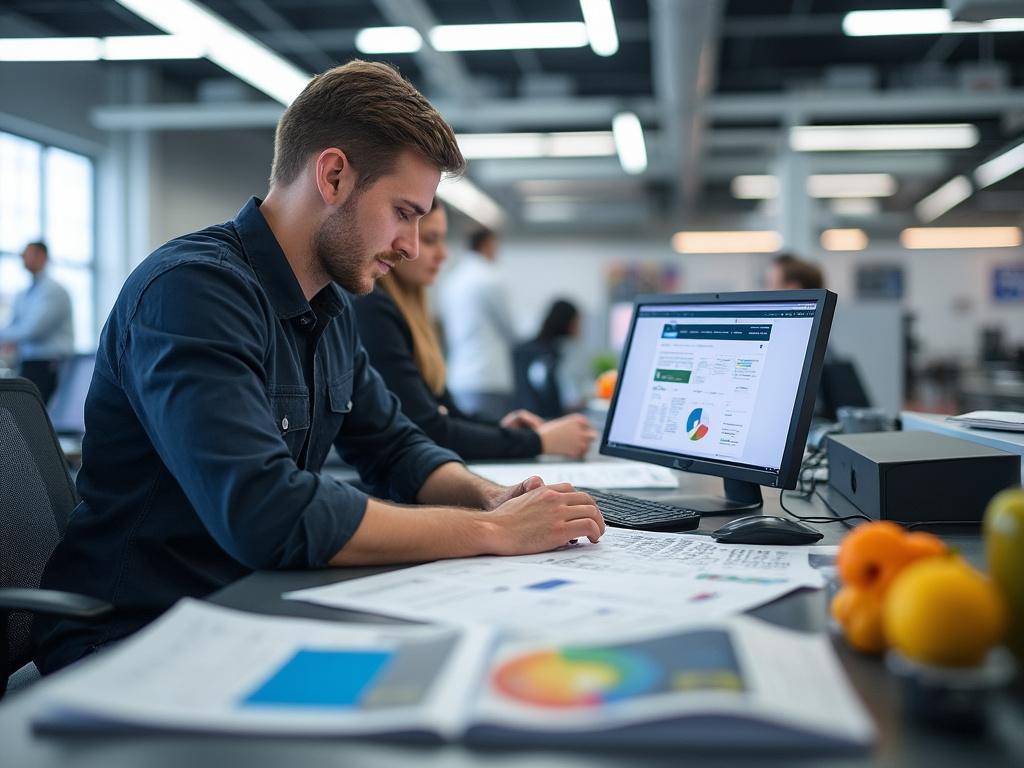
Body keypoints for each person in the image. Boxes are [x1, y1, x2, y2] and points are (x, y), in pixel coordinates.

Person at [33, 60, 603, 675]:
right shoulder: (192, 292)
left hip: (249, 609)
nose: (412, 246)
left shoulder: (327, 308)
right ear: (333, 176)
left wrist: (494, 499)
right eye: (404, 212)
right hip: (133, 639)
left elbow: (397, 449)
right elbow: (266, 513)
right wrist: (493, 533)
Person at [354, 201, 595, 461]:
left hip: (462, 375)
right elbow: (432, 430)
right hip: (486, 377)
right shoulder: (374, 308)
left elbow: (448, 416)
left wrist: (506, 430)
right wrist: (538, 441)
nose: (443, 255)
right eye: (430, 240)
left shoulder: (442, 290)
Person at [439, 226, 518, 420]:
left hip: (459, 376)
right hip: (488, 377)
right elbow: (511, 330)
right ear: (486, 244)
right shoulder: (491, 278)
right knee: (490, 434)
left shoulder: (453, 280)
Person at [0, 241, 74, 402]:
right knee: (24, 409)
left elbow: (33, 330)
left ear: (42, 257)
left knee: (37, 411)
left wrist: (6, 335)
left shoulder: (53, 291)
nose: (23, 258)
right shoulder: (24, 293)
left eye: (27, 254)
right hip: (29, 362)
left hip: (49, 365)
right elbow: (15, 325)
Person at [513, 299, 585, 419]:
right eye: (577, 321)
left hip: (528, 418)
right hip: (539, 421)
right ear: (567, 322)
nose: (580, 328)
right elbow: (544, 396)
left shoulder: (535, 350)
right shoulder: (545, 356)